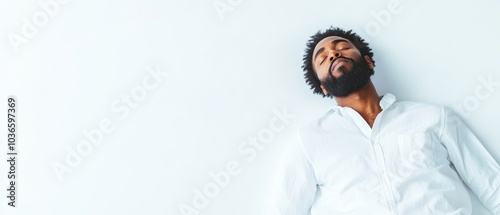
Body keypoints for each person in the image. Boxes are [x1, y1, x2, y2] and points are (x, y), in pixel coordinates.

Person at [261, 27, 500, 215]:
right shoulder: (309, 140)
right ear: (323, 88)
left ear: (368, 62)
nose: (333, 53)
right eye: (322, 59)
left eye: (341, 46)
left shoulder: (433, 118)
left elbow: (491, 185)